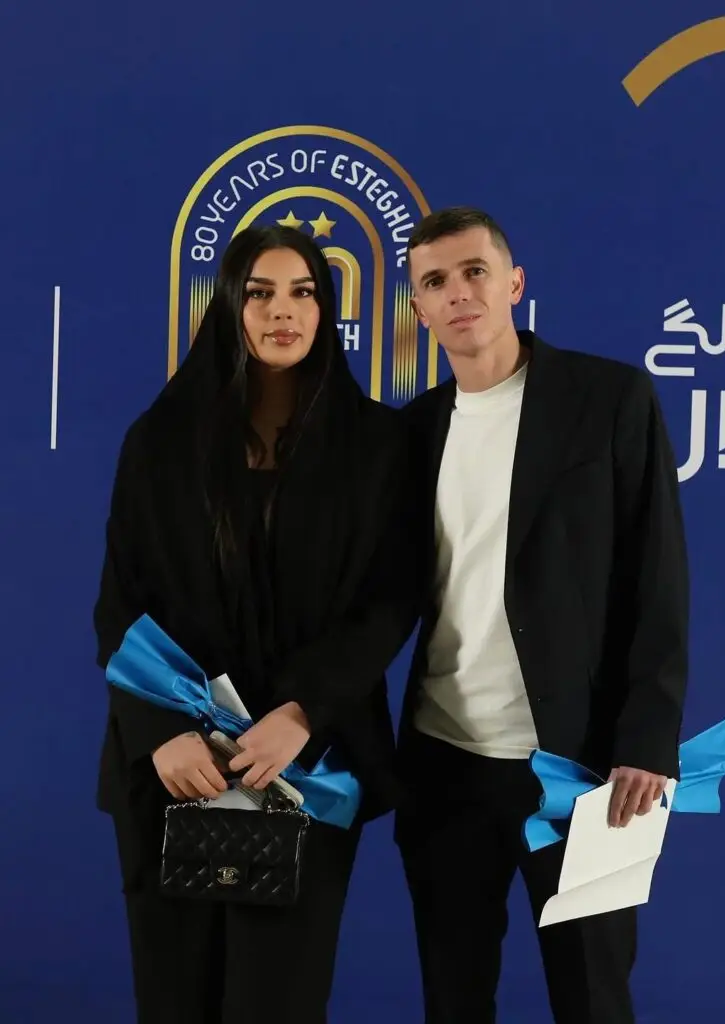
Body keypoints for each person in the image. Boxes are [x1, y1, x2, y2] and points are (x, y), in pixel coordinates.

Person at [93, 224, 421, 1024]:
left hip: (306, 769)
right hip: (175, 771)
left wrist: (302, 714)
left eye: (303, 292)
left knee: (278, 1003)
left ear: (326, 309)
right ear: (230, 308)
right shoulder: (160, 441)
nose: (283, 311)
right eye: (260, 293)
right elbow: (120, 602)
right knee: (175, 1001)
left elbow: (390, 600)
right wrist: (164, 732)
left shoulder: (378, 444)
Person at [395, 207, 689, 1024]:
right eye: (436, 282)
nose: (459, 293)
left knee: (593, 999)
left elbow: (658, 579)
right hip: (445, 766)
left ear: (514, 283)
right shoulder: (411, 432)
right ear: (419, 309)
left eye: (475, 272)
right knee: (454, 1000)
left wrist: (645, 742)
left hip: (583, 767)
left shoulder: (609, 399)